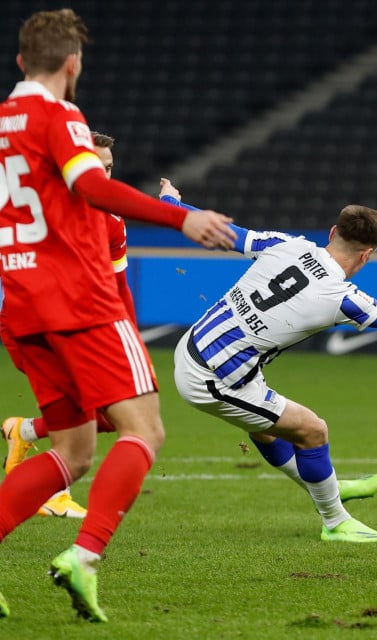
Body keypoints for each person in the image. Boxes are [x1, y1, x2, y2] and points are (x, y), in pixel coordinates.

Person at [0, 9, 236, 622]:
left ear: (22, 61)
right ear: (72, 66)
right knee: (145, 431)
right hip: (78, 301)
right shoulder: (59, 116)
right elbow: (93, 187)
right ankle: (85, 554)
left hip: (21, 309)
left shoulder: (3, 125)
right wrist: (180, 217)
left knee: (75, 451)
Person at [160, 179, 377, 544]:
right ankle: (335, 520)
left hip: (199, 345)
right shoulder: (339, 296)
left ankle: (328, 485)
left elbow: (220, 232)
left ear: (333, 231)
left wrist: (171, 202)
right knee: (312, 430)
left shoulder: (286, 244)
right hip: (214, 377)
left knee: (265, 426)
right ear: (367, 255)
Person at [2, 132, 132, 519]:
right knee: (82, 415)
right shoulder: (36, 210)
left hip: (82, 331)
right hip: (34, 329)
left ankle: (22, 432)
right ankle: (50, 491)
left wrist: (127, 341)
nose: (102, 175)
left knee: (109, 416)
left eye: (107, 167)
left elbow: (119, 287)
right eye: (93, 165)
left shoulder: (112, 221)